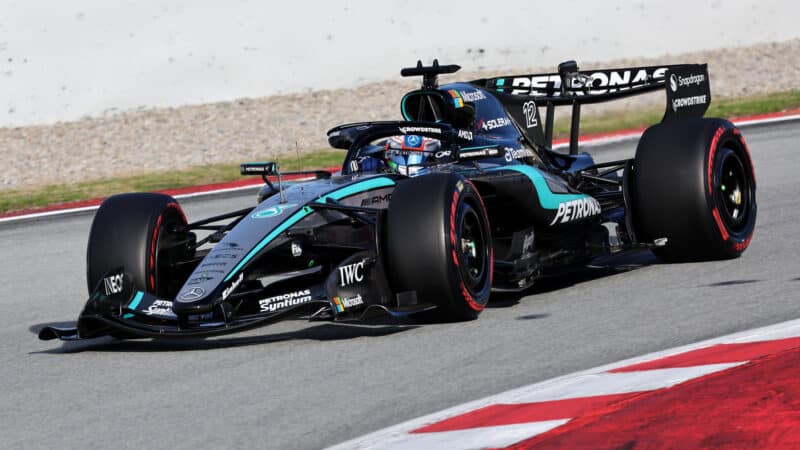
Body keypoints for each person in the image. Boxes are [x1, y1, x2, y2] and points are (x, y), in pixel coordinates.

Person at [358, 135, 441, 176]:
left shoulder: (439, 173)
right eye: (400, 154)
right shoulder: (378, 166)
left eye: (417, 154)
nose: (409, 159)